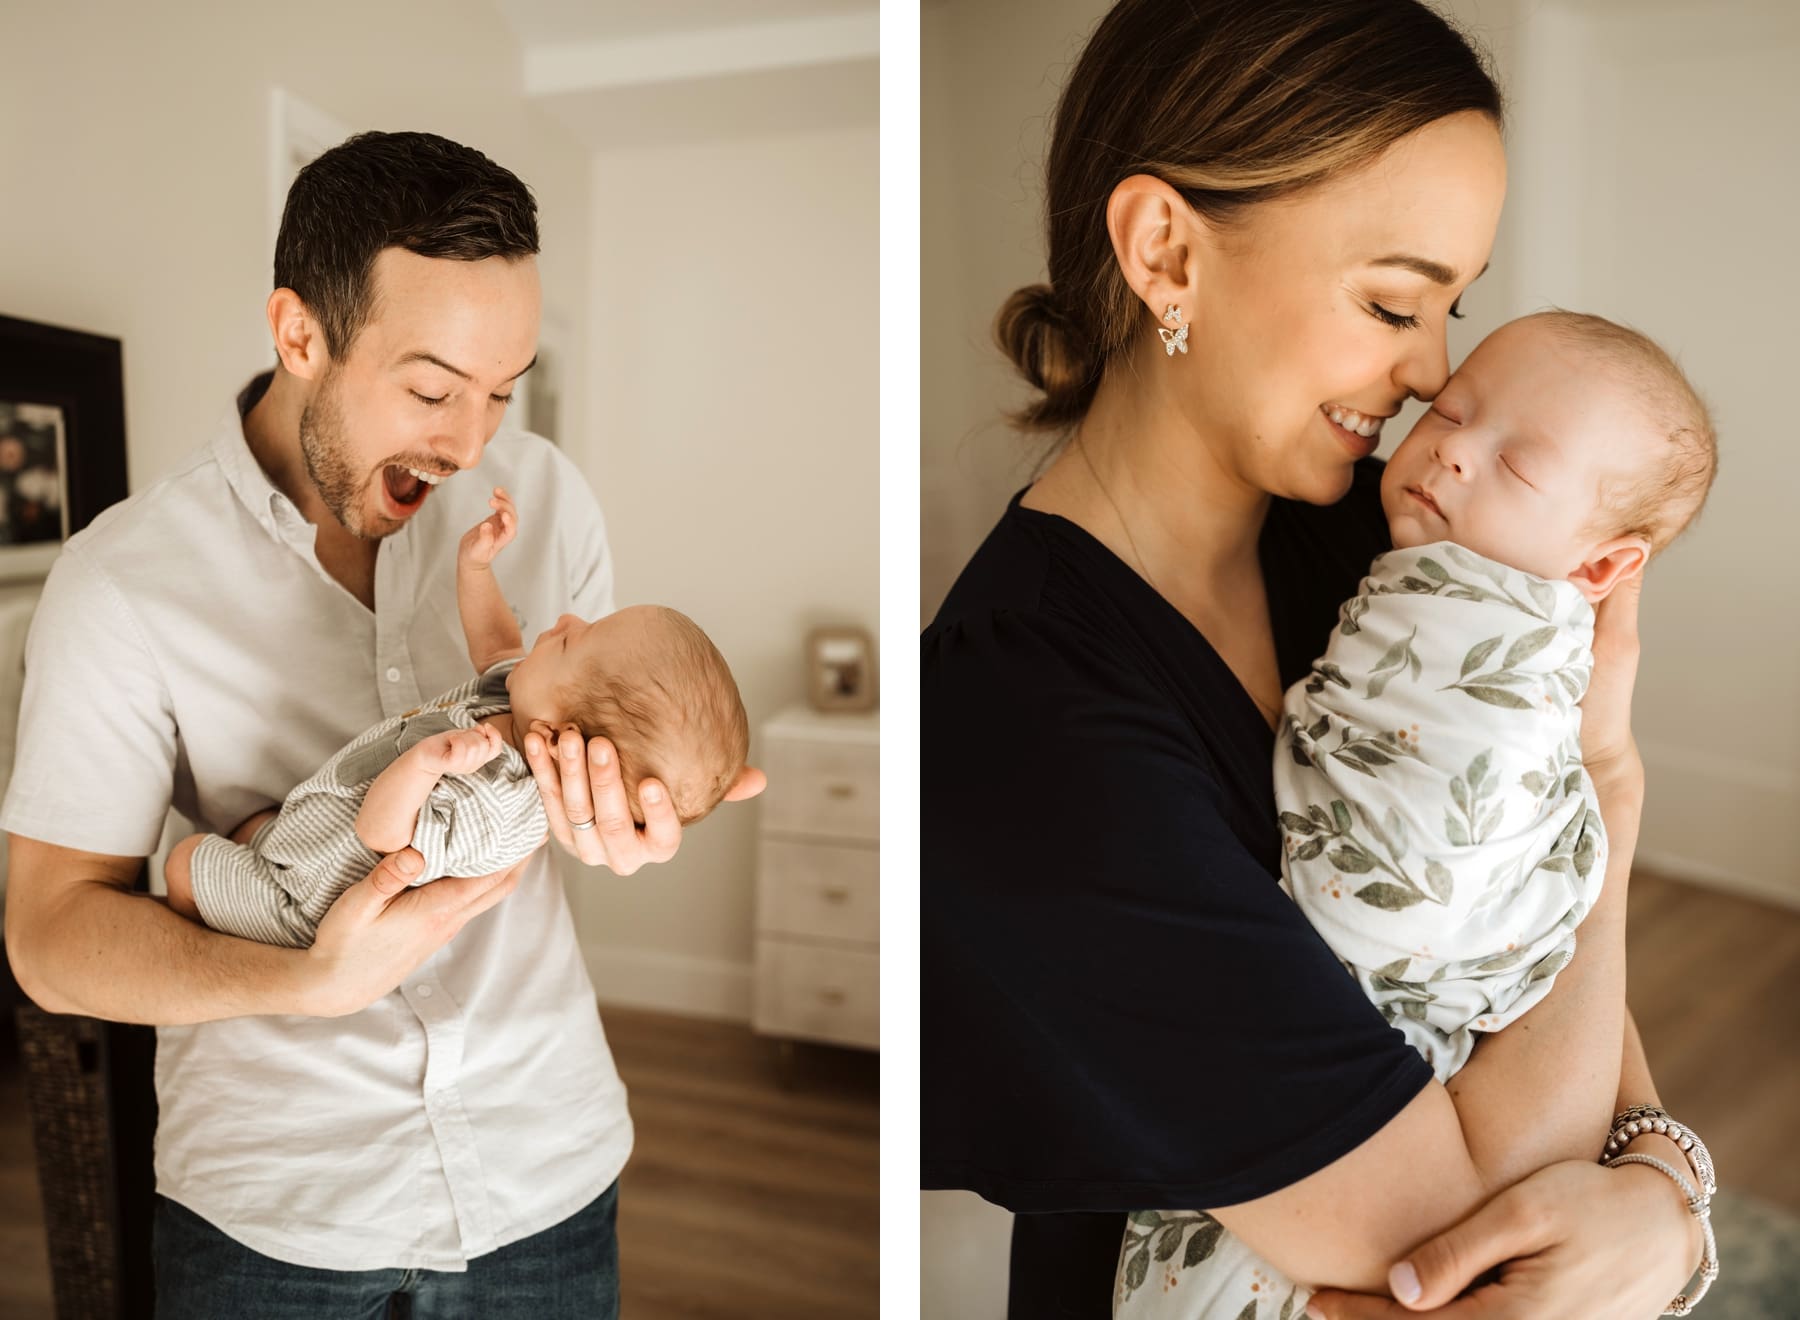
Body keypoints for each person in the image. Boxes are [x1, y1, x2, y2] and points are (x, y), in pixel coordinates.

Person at [920, 2, 1710, 1317]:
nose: (1431, 373)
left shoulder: (1383, 533)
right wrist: (1609, 792)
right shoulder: (1027, 726)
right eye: (1394, 301)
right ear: (1165, 250)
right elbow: (1471, 1258)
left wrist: (1662, 1192)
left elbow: (1521, 946)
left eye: (1454, 307)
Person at [1, 131, 761, 1318]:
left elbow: (589, 747)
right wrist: (302, 982)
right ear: (298, 334)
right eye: (430, 387)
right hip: (274, 1220)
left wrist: (631, 823)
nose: (469, 441)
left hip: (544, 1182)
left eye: (500, 391)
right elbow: (48, 943)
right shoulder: (120, 583)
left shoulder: (549, 501)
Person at [1113, 311, 1717, 1317]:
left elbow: (1466, 909)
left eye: (1516, 466)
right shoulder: (1046, 673)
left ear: (1602, 571)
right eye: (1449, 413)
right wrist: (1611, 785)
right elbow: (1474, 1231)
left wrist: (1666, 1180)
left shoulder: (1448, 603)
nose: (1446, 446)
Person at [163, 486, 751, 949]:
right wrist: (475, 569)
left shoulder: (495, 805)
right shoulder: (522, 703)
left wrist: (424, 766)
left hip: (306, 901)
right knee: (247, 826)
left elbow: (384, 837)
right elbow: (497, 648)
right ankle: (252, 860)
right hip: (304, 833)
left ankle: (236, 932)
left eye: (578, 641)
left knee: (186, 863)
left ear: (562, 733)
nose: (569, 619)